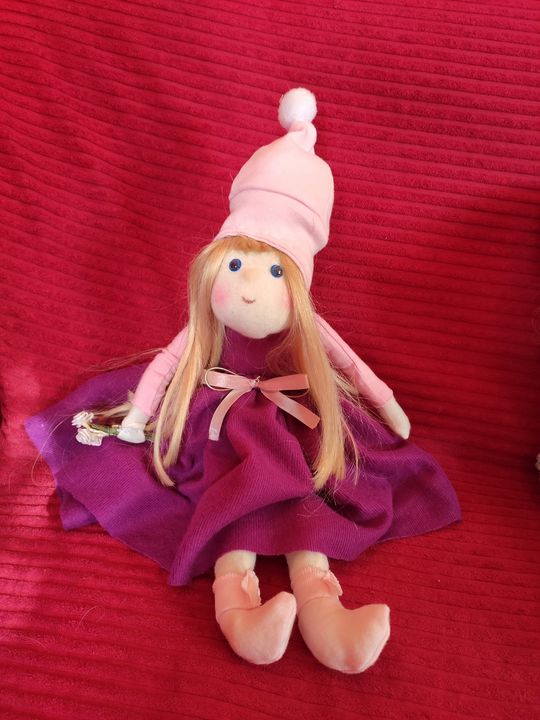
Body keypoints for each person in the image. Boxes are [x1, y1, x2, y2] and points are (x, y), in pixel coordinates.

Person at [26, 88, 461, 673]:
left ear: (298, 278)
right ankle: (237, 605)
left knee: (305, 489)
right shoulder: (204, 329)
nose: (251, 288)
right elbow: (165, 366)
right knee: (229, 491)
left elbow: (352, 367)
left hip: (293, 420)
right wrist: (137, 419)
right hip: (216, 421)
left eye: (274, 270)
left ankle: (324, 607)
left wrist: (388, 407)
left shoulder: (309, 329)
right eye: (235, 265)